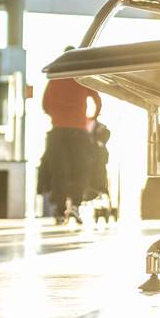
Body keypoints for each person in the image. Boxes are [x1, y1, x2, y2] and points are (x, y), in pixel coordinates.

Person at [38, 50, 105, 224]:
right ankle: (75, 205)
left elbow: (45, 105)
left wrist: (57, 115)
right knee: (80, 168)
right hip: (78, 131)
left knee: (58, 171)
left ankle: (60, 211)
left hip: (58, 131)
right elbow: (97, 100)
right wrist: (92, 118)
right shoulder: (80, 76)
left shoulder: (55, 77)